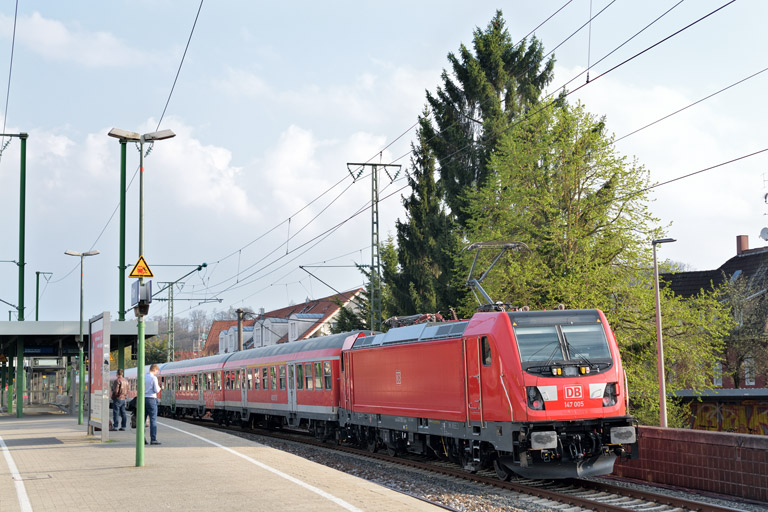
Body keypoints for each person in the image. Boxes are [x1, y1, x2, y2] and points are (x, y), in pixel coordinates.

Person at [144, 364, 162, 445]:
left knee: (142, 420)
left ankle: (142, 438)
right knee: (153, 420)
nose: (157, 373)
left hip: (143, 399)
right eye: (157, 371)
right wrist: (160, 388)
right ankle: (153, 439)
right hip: (151, 399)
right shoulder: (153, 378)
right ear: (154, 369)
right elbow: (156, 390)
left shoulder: (143, 377)